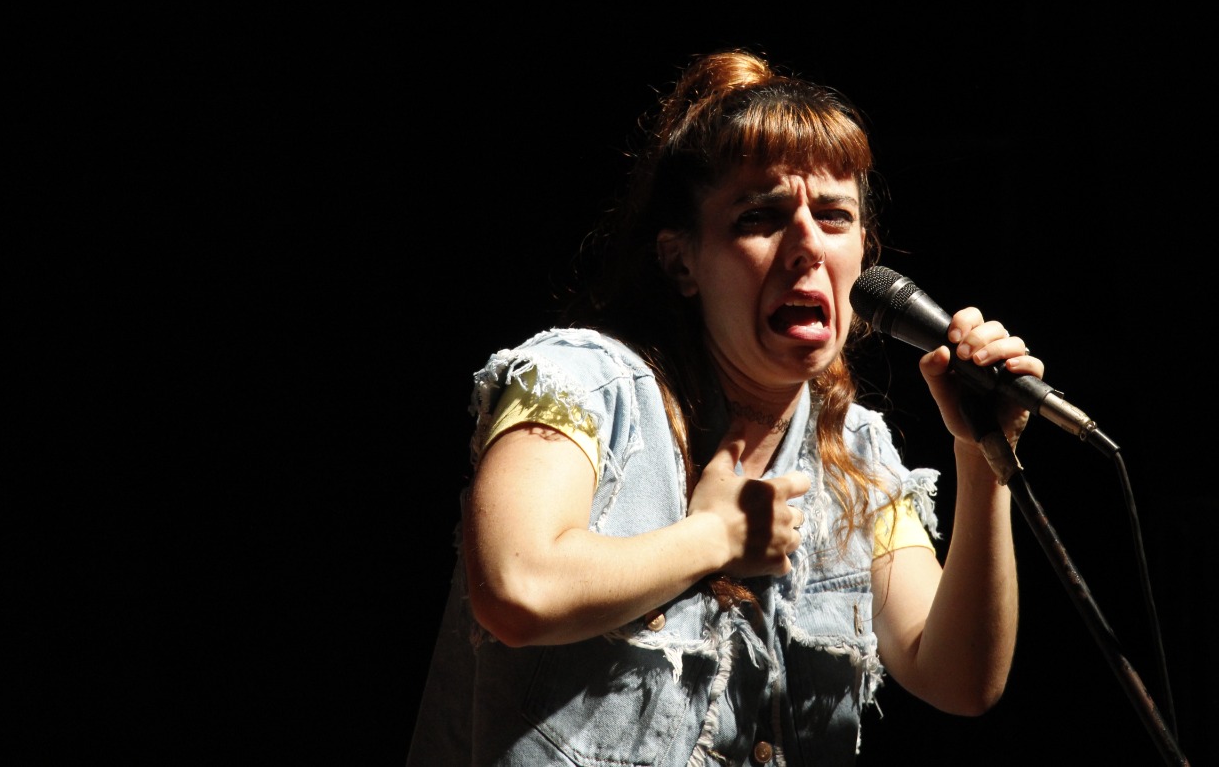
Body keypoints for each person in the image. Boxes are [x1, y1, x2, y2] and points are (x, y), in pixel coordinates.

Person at [407, 48, 1040, 765]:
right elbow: (517, 589)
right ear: (682, 261)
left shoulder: (856, 453)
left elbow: (959, 678)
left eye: (835, 216)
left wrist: (982, 458)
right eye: (760, 217)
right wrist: (712, 539)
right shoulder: (581, 384)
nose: (808, 245)